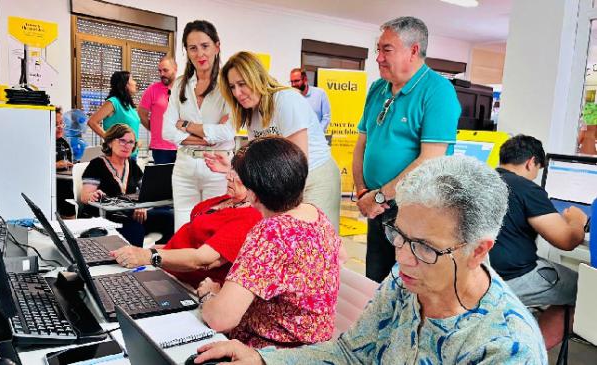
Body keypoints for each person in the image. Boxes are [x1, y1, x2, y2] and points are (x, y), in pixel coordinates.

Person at [193, 156, 547, 365]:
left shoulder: (506, 348)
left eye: (425, 247)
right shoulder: (405, 281)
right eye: (400, 235)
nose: (404, 259)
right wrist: (263, 359)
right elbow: (351, 353)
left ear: (478, 251)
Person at [197, 137, 341, 349]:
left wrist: (208, 295)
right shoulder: (315, 214)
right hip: (315, 349)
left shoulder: (272, 233)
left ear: (253, 195)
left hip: (272, 352)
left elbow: (221, 318)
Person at [353, 16, 460, 283]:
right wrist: (363, 192)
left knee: (408, 285)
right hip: (377, 205)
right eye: (378, 49)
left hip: (414, 211)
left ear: (413, 50)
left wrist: (380, 197)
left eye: (386, 49)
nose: (378, 57)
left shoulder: (438, 91)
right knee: (375, 281)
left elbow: (430, 160)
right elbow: (361, 144)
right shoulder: (378, 88)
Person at [207, 51, 341, 231]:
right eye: (232, 87)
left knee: (319, 241)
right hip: (288, 180)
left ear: (256, 77)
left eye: (242, 84)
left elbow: (299, 160)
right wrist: (234, 168)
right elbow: (259, 157)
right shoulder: (252, 113)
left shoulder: (286, 100)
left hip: (315, 175)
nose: (237, 93)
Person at [490, 134, 588, 349]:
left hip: (478, 273)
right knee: (587, 291)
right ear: (530, 162)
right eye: (537, 169)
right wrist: (577, 221)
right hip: (511, 277)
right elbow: (567, 241)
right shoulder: (525, 187)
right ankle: (530, 354)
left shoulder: (483, 179)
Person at [108, 166, 262, 289]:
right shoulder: (228, 200)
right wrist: (162, 249)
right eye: (232, 169)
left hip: (183, 284)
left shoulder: (249, 217)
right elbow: (194, 238)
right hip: (165, 268)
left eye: (239, 174)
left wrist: (147, 255)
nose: (229, 176)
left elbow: (203, 260)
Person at [163, 20, 235, 231]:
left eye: (205, 46)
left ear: (217, 46)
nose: (199, 54)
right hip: (184, 167)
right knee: (183, 230)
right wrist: (209, 136)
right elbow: (166, 130)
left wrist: (185, 124)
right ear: (186, 51)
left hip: (218, 168)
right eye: (192, 48)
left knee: (213, 231)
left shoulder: (228, 85)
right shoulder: (180, 84)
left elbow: (228, 131)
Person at [79, 124, 170, 246]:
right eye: (122, 141)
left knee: (169, 218)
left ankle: (163, 257)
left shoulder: (132, 165)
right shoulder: (96, 165)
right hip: (105, 217)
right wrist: (93, 195)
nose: (127, 146)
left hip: (130, 213)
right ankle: (133, 262)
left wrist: (141, 205)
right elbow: (84, 197)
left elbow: (146, 191)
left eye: (131, 142)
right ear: (110, 142)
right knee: (135, 228)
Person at [88, 71, 141, 158]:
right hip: (116, 156)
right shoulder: (113, 102)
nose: (135, 82)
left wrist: (137, 142)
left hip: (132, 154)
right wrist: (110, 139)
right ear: (125, 84)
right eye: (132, 79)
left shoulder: (129, 106)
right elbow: (92, 122)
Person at [138, 56, 179, 164]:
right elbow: (142, 114)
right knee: (162, 180)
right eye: (160, 71)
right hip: (161, 149)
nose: (162, 74)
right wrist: (154, 129)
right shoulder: (152, 89)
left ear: (175, 69)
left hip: (182, 147)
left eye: (165, 70)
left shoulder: (184, 89)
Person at [289, 68, 331, 133]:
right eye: (291, 82)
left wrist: (317, 133)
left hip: (316, 139)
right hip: (299, 138)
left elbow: (326, 117)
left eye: (296, 81)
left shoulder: (320, 93)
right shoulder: (291, 97)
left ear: (305, 79)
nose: (293, 84)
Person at [55, 106, 75, 218]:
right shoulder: (43, 143)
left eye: (61, 123)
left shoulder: (64, 143)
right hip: (54, 189)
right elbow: (35, 167)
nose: (60, 127)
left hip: (67, 187)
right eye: (55, 124)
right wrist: (56, 165)